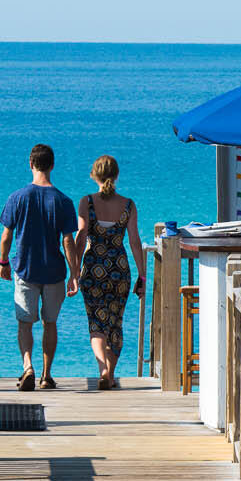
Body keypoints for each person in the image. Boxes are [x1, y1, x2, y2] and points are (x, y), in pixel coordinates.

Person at [0, 143, 80, 391]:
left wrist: (3, 262)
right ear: (52, 165)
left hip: (25, 268)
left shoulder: (17, 197)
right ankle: (46, 375)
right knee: (50, 323)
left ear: (31, 164)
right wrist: (74, 274)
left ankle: (27, 366)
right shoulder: (63, 201)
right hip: (54, 271)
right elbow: (68, 240)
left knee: (25, 322)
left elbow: (6, 236)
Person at [73, 154, 145, 389]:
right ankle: (111, 374)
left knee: (96, 323)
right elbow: (134, 241)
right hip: (119, 269)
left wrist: (74, 270)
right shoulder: (128, 204)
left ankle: (102, 369)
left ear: (94, 175)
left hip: (94, 268)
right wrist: (142, 274)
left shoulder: (87, 202)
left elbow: (82, 235)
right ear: (116, 175)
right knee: (115, 322)